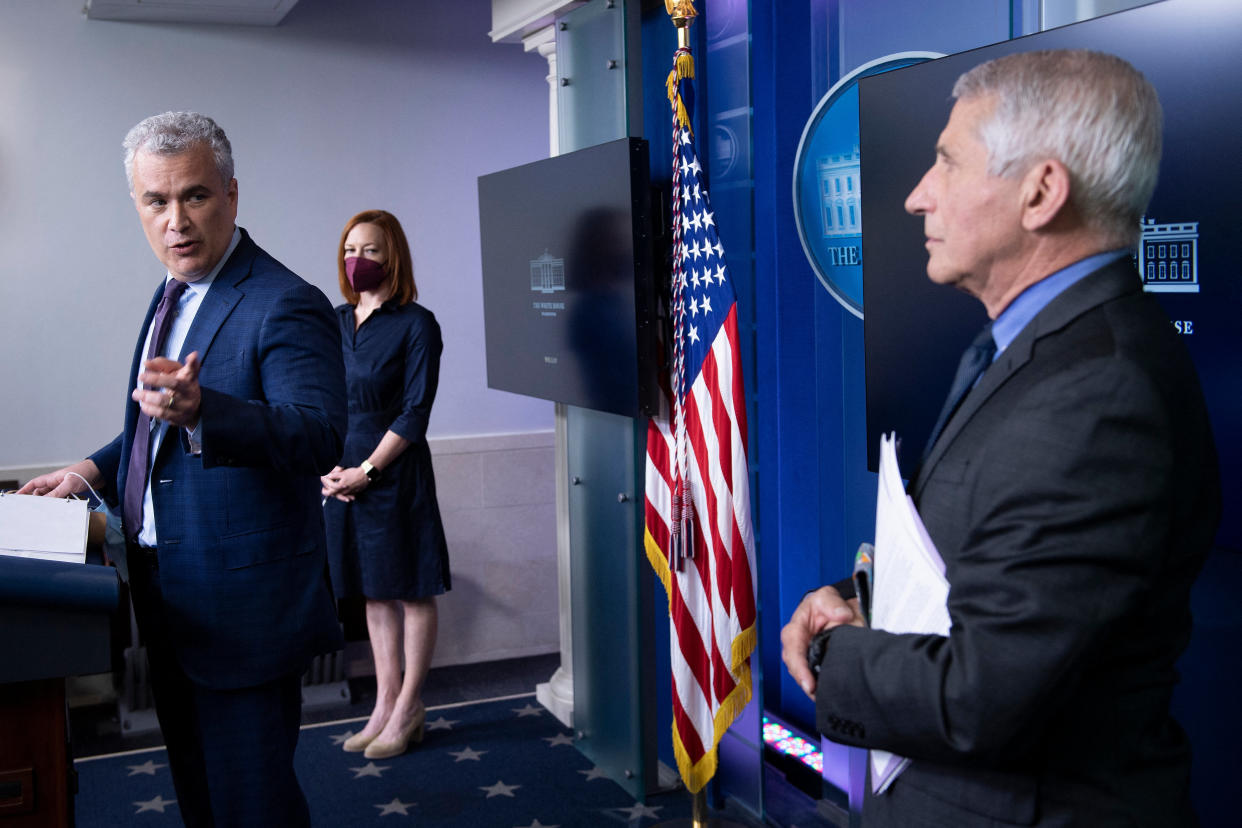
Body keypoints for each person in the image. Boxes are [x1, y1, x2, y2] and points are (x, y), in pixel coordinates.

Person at [780, 50, 1220, 826]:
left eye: (948, 162)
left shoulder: (1099, 392)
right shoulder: (1026, 347)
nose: (917, 196)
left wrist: (832, 653)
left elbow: (978, 697)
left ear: (1042, 192)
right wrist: (856, 601)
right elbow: (982, 568)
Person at [19, 111, 346, 827]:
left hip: (244, 609)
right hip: (167, 598)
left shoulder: (285, 301)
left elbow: (319, 437)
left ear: (232, 194)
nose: (177, 222)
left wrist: (205, 412)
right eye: (156, 201)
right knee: (202, 799)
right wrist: (90, 470)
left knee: (252, 807)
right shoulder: (172, 293)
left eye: (195, 196)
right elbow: (154, 423)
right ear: (136, 205)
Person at [320, 209, 450, 760]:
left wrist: (367, 471)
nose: (358, 260)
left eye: (371, 250)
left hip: (393, 476)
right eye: (351, 249)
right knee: (374, 594)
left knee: (411, 590)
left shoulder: (417, 324)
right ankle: (384, 703)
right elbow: (316, 398)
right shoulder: (331, 320)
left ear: (391, 256)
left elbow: (415, 412)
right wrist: (326, 468)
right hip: (338, 474)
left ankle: (409, 706)